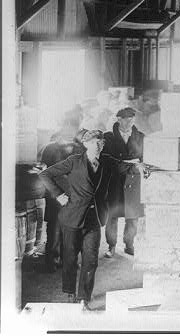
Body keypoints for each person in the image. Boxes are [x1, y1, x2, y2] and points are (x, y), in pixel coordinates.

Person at [38, 129, 146, 309]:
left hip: (94, 219)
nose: (99, 146)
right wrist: (58, 194)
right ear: (86, 145)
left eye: (101, 143)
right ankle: (70, 294)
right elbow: (45, 174)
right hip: (72, 217)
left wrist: (138, 166)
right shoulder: (73, 162)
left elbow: (123, 165)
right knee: (70, 259)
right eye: (95, 143)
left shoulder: (106, 161)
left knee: (91, 260)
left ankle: (84, 298)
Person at [38, 118, 84, 273]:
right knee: (54, 231)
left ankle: (68, 261)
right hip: (56, 198)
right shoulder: (49, 149)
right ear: (62, 126)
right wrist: (57, 194)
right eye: (68, 125)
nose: (70, 130)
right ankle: (51, 260)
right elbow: (43, 175)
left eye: (74, 126)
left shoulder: (81, 148)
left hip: (74, 197)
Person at [102, 107, 145, 258]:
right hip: (115, 181)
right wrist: (125, 164)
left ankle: (129, 244)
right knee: (112, 216)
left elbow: (144, 159)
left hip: (133, 181)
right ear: (118, 119)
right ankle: (111, 246)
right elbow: (105, 159)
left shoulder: (140, 137)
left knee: (132, 217)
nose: (130, 122)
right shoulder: (108, 138)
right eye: (127, 119)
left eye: (132, 119)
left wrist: (137, 165)